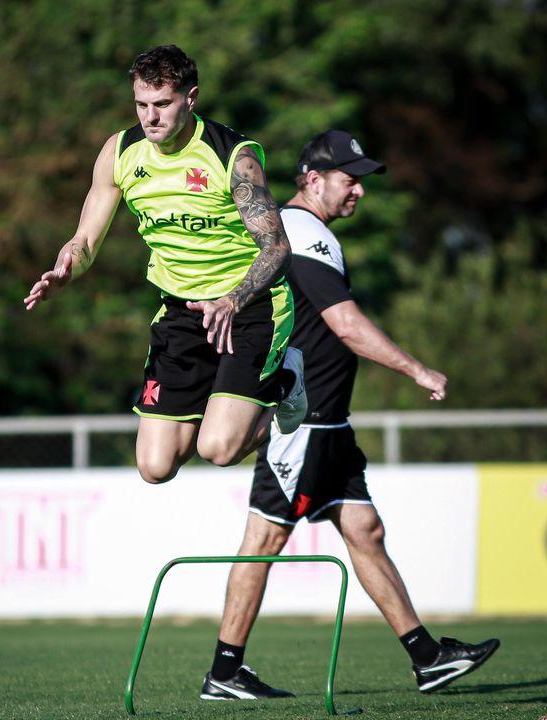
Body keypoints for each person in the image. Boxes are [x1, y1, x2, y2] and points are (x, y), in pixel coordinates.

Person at [200, 130, 499, 701]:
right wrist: (416, 370)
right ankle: (225, 670)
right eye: (349, 178)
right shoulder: (302, 232)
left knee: (365, 530)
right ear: (313, 180)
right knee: (262, 541)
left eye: (362, 179)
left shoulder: (314, 234)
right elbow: (345, 325)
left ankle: (428, 657)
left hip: (330, 423)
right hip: (304, 423)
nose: (359, 190)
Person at [24, 45, 306, 483]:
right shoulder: (120, 153)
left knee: (218, 448)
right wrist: (67, 269)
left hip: (248, 307)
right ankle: (228, 403)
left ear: (190, 99)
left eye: (162, 104)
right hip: (180, 311)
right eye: (141, 104)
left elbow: (277, 248)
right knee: (154, 468)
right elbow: (84, 240)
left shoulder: (233, 156)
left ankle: (285, 378)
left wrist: (232, 300)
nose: (150, 117)